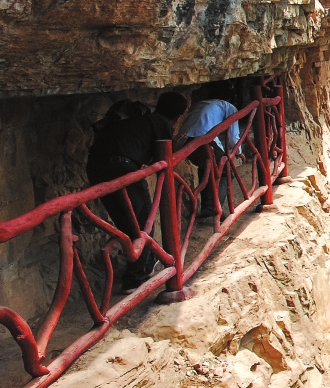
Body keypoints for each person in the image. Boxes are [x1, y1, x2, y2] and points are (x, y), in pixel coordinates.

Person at [86, 92, 190, 291]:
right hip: (123, 169)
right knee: (142, 223)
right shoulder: (161, 123)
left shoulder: (139, 119)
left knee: (127, 222)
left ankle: (144, 265)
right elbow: (159, 160)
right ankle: (135, 278)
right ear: (179, 116)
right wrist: (175, 148)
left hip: (96, 167)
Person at [181, 86, 242, 218]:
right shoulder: (229, 107)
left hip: (184, 141)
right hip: (203, 140)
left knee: (206, 168)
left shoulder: (200, 104)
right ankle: (214, 208)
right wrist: (238, 151)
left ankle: (207, 208)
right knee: (225, 169)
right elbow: (233, 137)